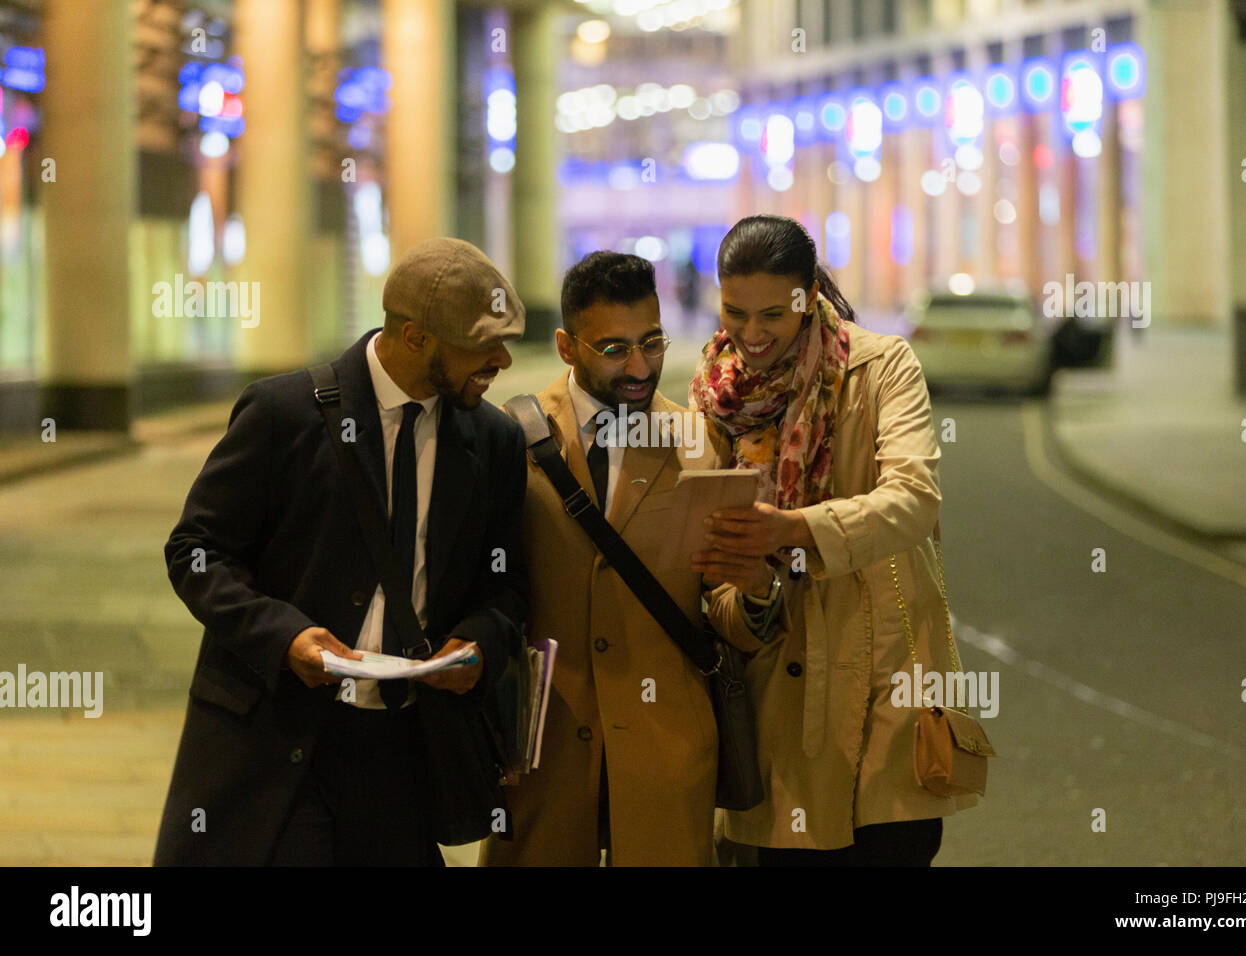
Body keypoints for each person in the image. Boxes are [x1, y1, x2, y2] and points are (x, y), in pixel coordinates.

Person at [154, 237, 530, 866]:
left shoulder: (493, 441)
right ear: (415, 337)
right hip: (276, 739)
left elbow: (507, 583)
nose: (503, 360)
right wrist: (285, 637)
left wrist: (480, 644)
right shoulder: (284, 413)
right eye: (483, 345)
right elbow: (196, 551)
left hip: (402, 753)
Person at [690, 215, 979, 866]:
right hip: (778, 692)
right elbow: (708, 555)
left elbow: (914, 498)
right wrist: (750, 591)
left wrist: (795, 529)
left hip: (886, 676)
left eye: (773, 314)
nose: (752, 334)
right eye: (735, 312)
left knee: (892, 845)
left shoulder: (882, 367)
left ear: (809, 295)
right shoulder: (715, 393)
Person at [480, 251, 778, 866]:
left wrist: (754, 591)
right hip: (543, 749)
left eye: (652, 342)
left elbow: (721, 604)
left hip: (666, 748)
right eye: (615, 349)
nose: (640, 367)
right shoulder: (511, 440)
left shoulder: (701, 443)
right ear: (566, 346)